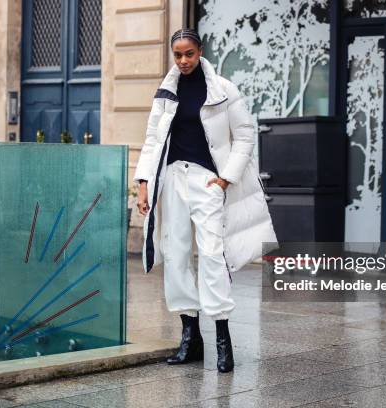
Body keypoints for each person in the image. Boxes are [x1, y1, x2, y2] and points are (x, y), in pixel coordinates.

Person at [133, 28, 277, 373]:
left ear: (200, 52)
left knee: (212, 253)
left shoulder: (223, 89)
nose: (183, 61)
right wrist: (143, 184)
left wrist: (226, 177)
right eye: (178, 55)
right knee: (176, 252)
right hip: (172, 178)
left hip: (207, 181)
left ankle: (223, 339)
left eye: (189, 54)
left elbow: (244, 136)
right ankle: (190, 337)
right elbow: (153, 139)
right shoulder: (166, 92)